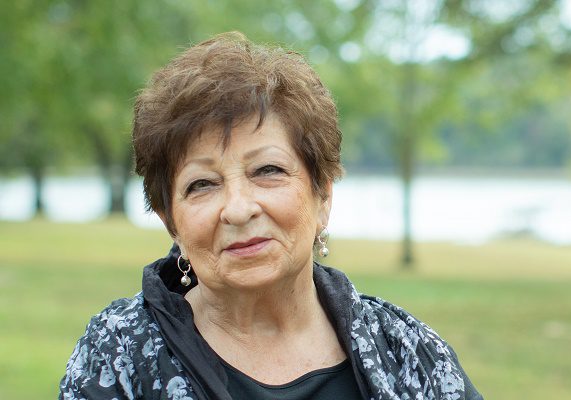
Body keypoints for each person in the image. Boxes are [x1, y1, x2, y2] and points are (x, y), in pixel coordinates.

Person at [59, 32, 483, 400]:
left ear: (322, 197)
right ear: (172, 221)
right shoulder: (117, 356)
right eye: (202, 184)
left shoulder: (408, 354)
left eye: (268, 171)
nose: (239, 208)